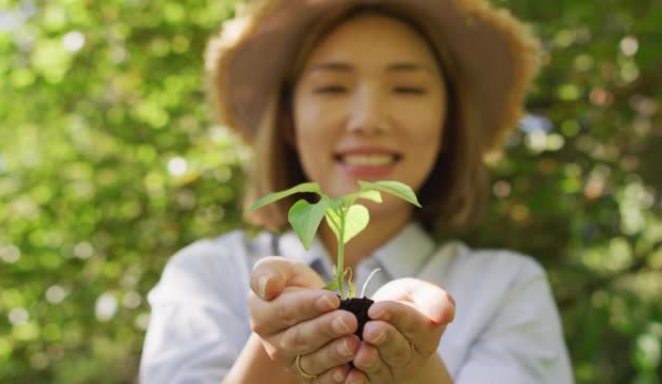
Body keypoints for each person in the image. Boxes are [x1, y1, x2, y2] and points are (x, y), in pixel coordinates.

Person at [140, 0, 574, 383]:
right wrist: (277, 353)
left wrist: (415, 369)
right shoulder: (207, 277)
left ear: (448, 122)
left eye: (407, 88)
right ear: (290, 121)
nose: (368, 119)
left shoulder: (504, 288)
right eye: (332, 87)